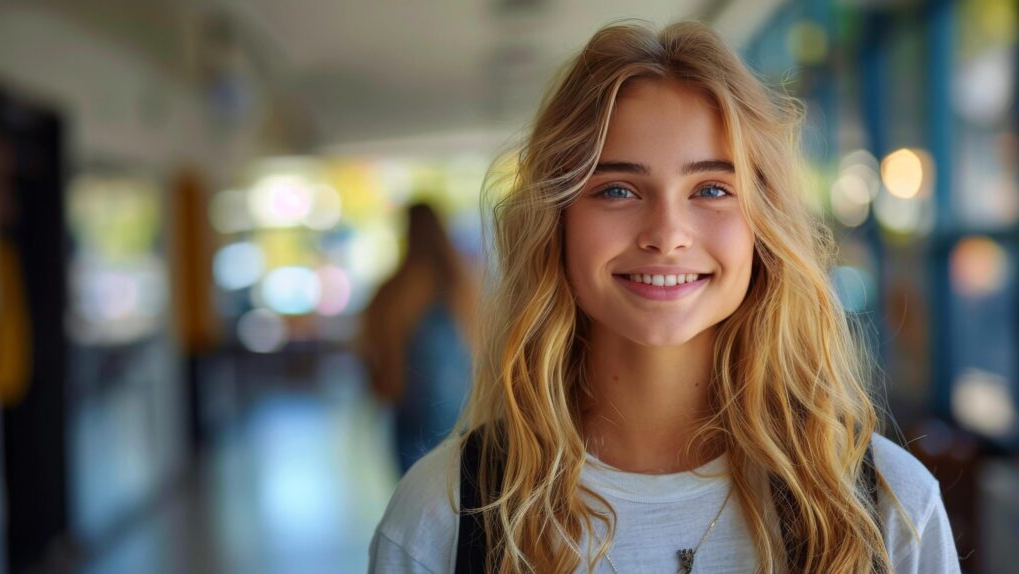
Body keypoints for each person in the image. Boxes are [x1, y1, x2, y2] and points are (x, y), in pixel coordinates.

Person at [369, 21, 960, 573]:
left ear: (765, 224)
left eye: (710, 188)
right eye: (618, 189)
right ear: (558, 221)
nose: (667, 234)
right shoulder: (443, 514)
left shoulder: (885, 506)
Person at [360, 202, 476, 474]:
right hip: (463, 415)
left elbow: (369, 351)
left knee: (413, 500)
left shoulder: (393, 290)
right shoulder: (465, 285)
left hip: (408, 413)